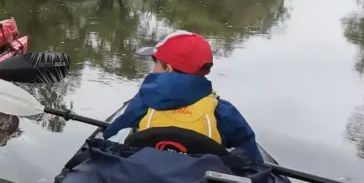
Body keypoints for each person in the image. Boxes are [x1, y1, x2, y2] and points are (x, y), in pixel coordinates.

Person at [102, 30, 264, 162]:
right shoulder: (223, 112)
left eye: (155, 62)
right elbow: (252, 157)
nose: (153, 69)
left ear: (168, 69)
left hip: (146, 180)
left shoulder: (143, 102)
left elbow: (111, 135)